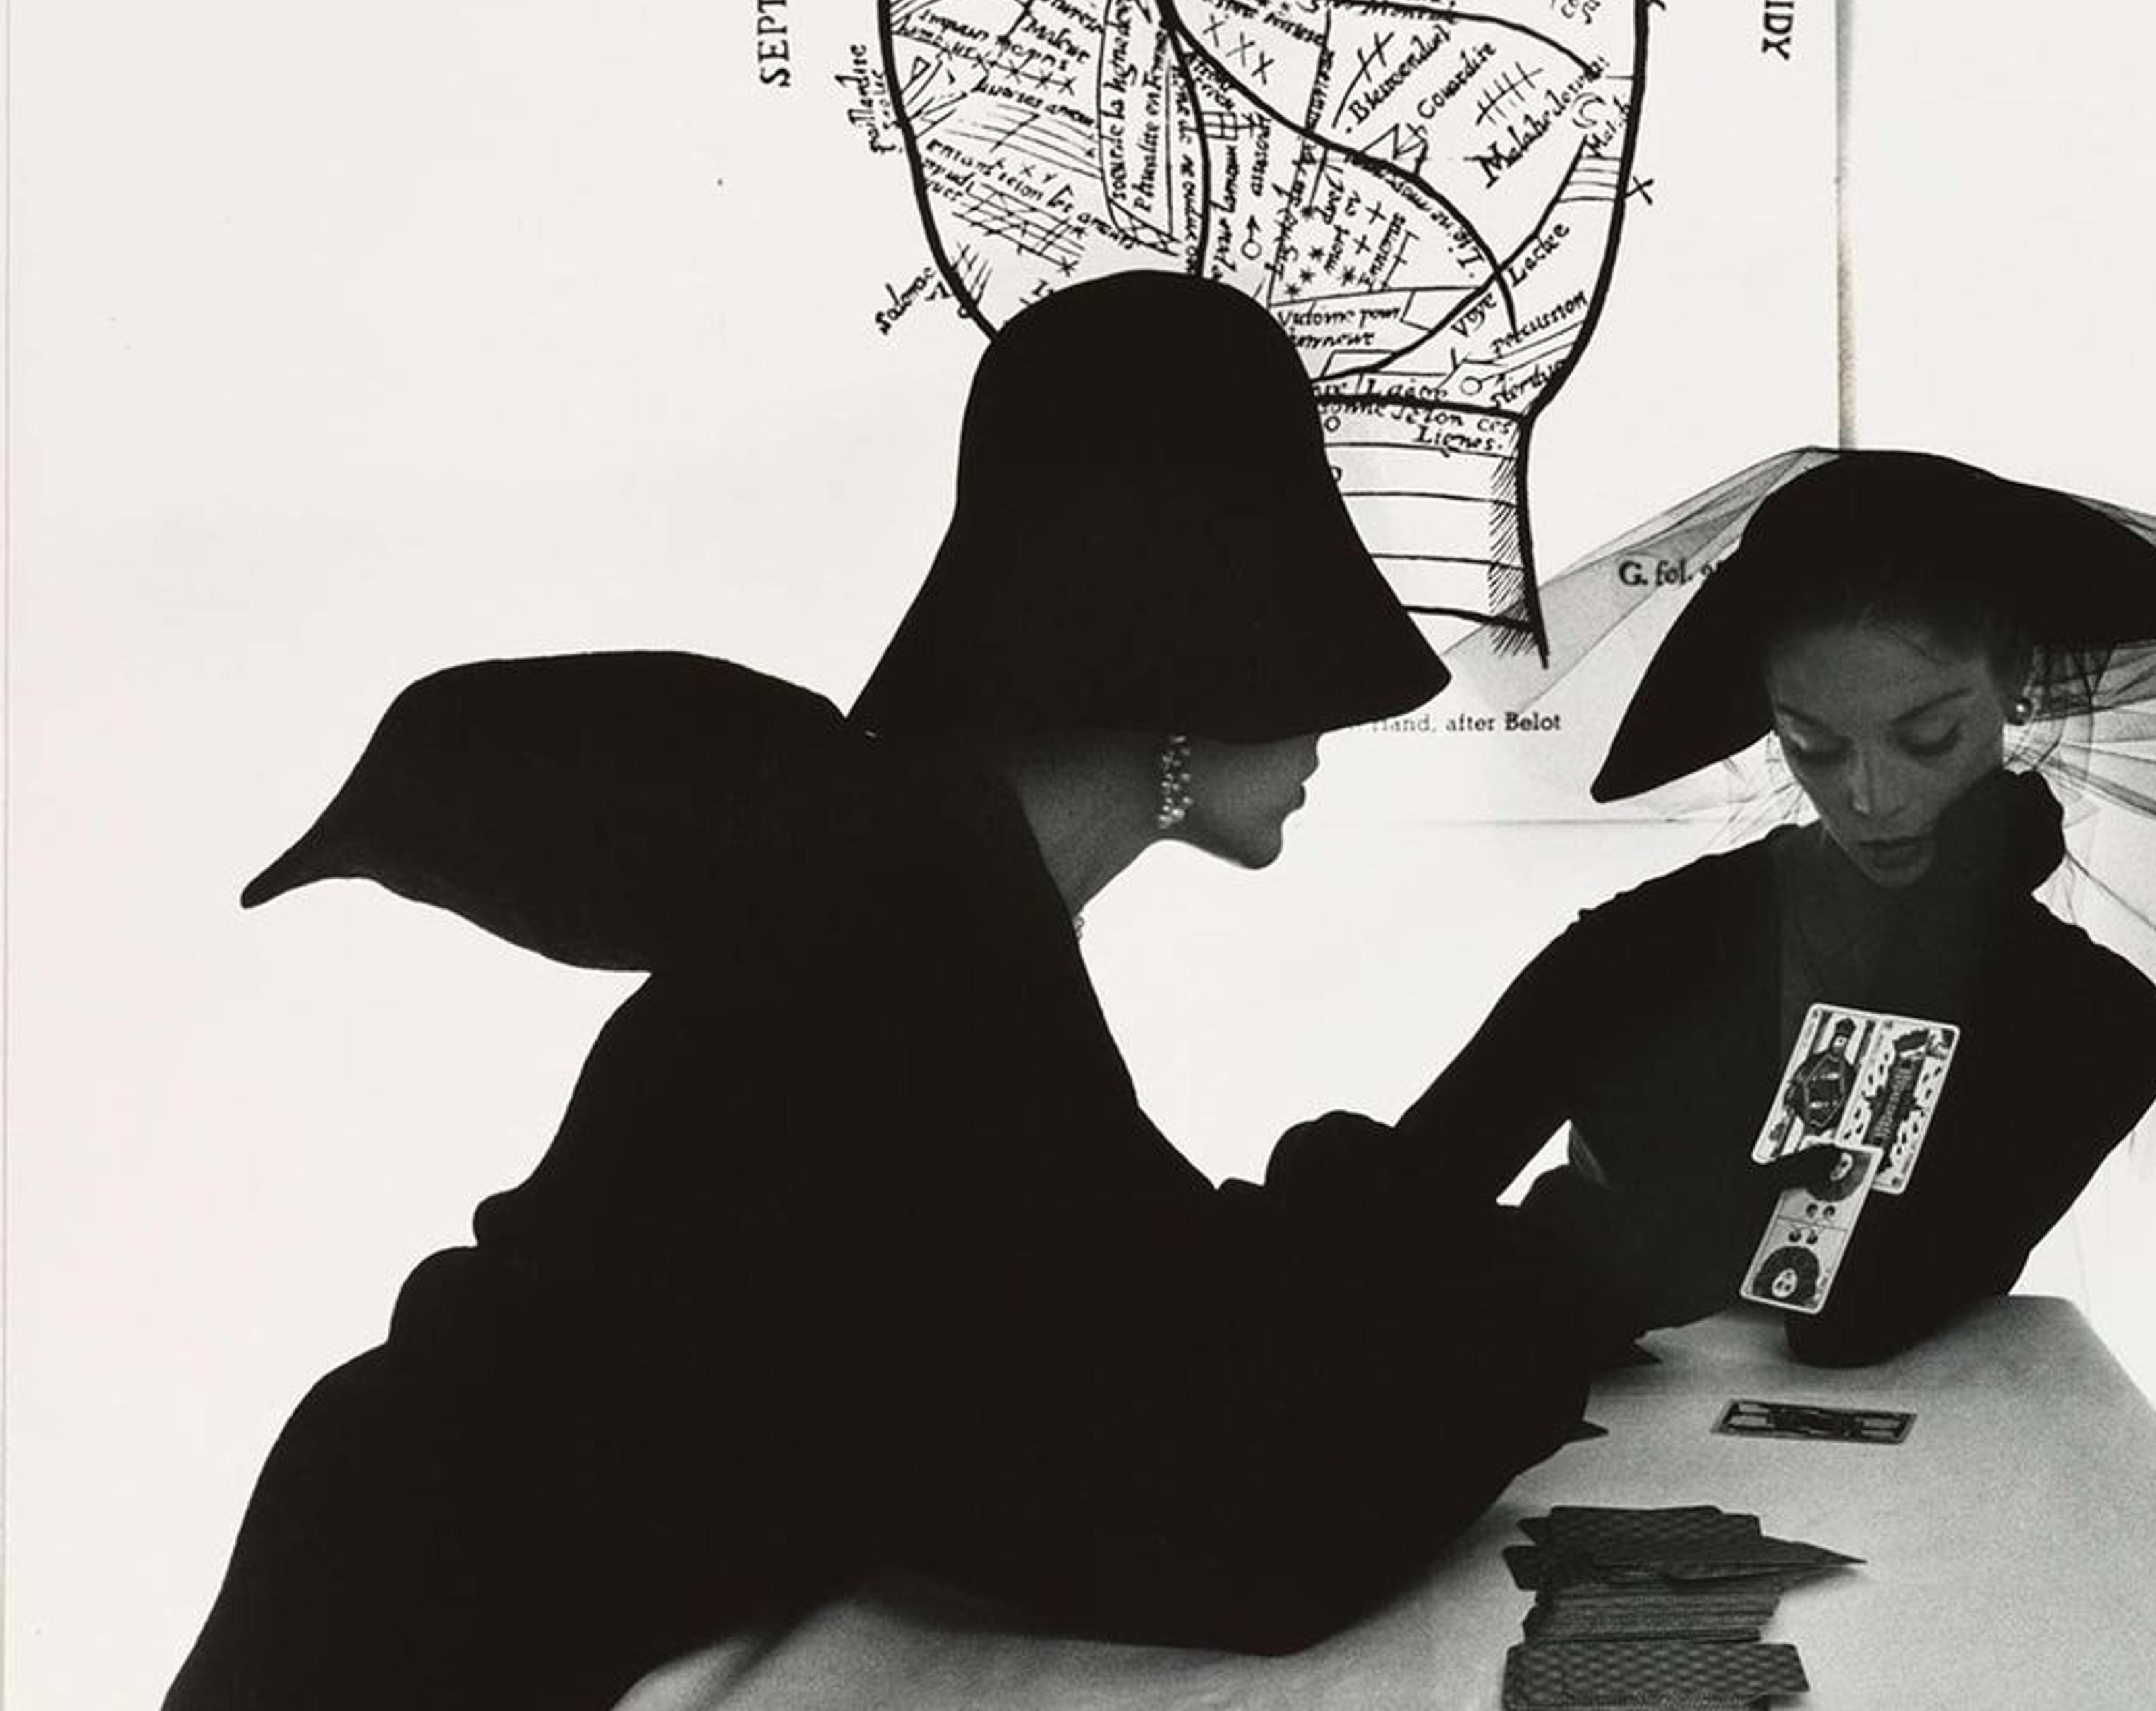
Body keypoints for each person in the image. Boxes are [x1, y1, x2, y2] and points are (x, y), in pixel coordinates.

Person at [165, 273, 1762, 1711]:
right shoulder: (907, 960)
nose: (1334, 729)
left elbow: (1107, 1300)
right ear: (1189, 692)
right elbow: (1234, 1526)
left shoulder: (915, 900)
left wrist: (1424, 1246)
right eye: (1307, 672)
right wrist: (1567, 1280)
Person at [1399, 448, 2156, 1368]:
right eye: (1814, 746)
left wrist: (1957, 914)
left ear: (2016, 680)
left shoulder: (2102, 1024)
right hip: (1571, 1481)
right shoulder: (1637, 953)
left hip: (1922, 1491)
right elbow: (1385, 1228)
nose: (1871, 796)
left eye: (1929, 737)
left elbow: (1854, 1310)